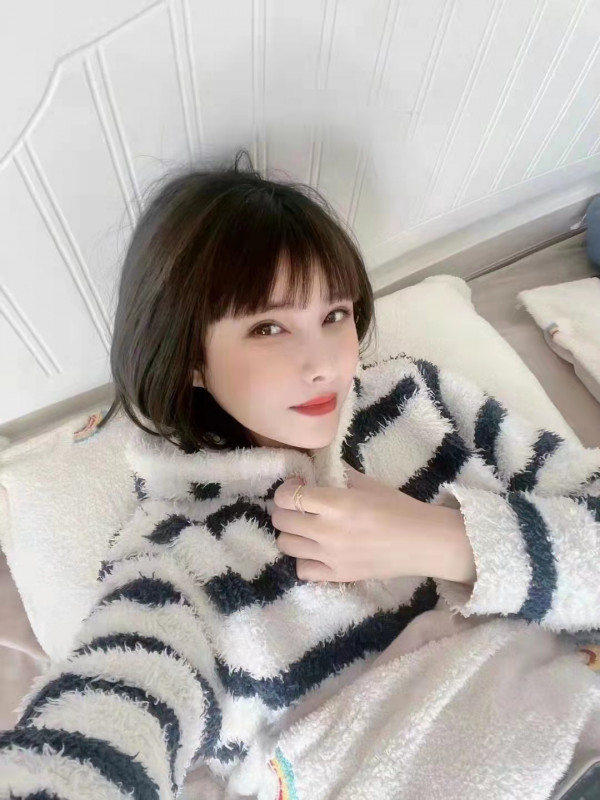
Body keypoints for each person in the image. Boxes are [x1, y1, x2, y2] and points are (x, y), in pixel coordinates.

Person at [1, 148, 600, 800]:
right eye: (268, 327)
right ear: (190, 358)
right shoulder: (179, 559)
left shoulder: (421, 398)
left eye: (334, 315)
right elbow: (102, 725)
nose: (324, 363)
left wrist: (447, 541)